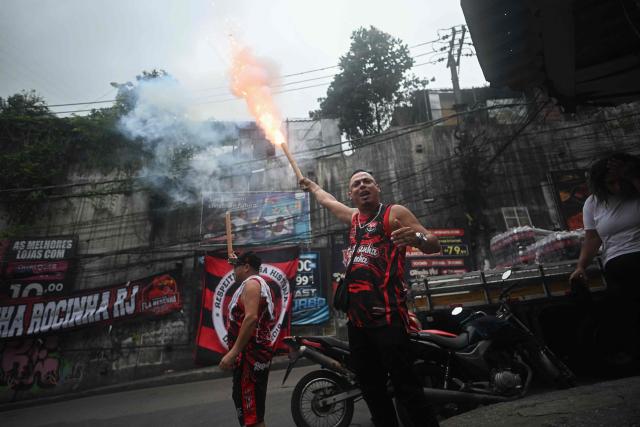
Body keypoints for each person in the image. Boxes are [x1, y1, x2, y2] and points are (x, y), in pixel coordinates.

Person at [300, 169, 441, 427]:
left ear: (378, 188)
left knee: (406, 388)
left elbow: (433, 243)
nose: (362, 186)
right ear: (351, 194)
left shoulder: (393, 214)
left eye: (367, 182)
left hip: (388, 319)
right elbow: (327, 200)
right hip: (358, 323)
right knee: (372, 391)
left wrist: (417, 238)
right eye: (356, 184)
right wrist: (310, 185)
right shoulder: (354, 219)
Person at [569, 152, 640, 367]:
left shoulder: (635, 191)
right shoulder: (593, 203)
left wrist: (631, 178)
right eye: (611, 182)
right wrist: (581, 266)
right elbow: (592, 238)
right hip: (618, 263)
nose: (617, 187)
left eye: (621, 180)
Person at [219, 251, 275, 427]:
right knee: (253, 415)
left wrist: (232, 353)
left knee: (251, 416)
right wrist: (236, 259)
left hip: (249, 358)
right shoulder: (255, 283)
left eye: (236, 267)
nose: (233, 271)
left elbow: (250, 318)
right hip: (252, 357)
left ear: (246, 267)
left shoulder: (252, 284)